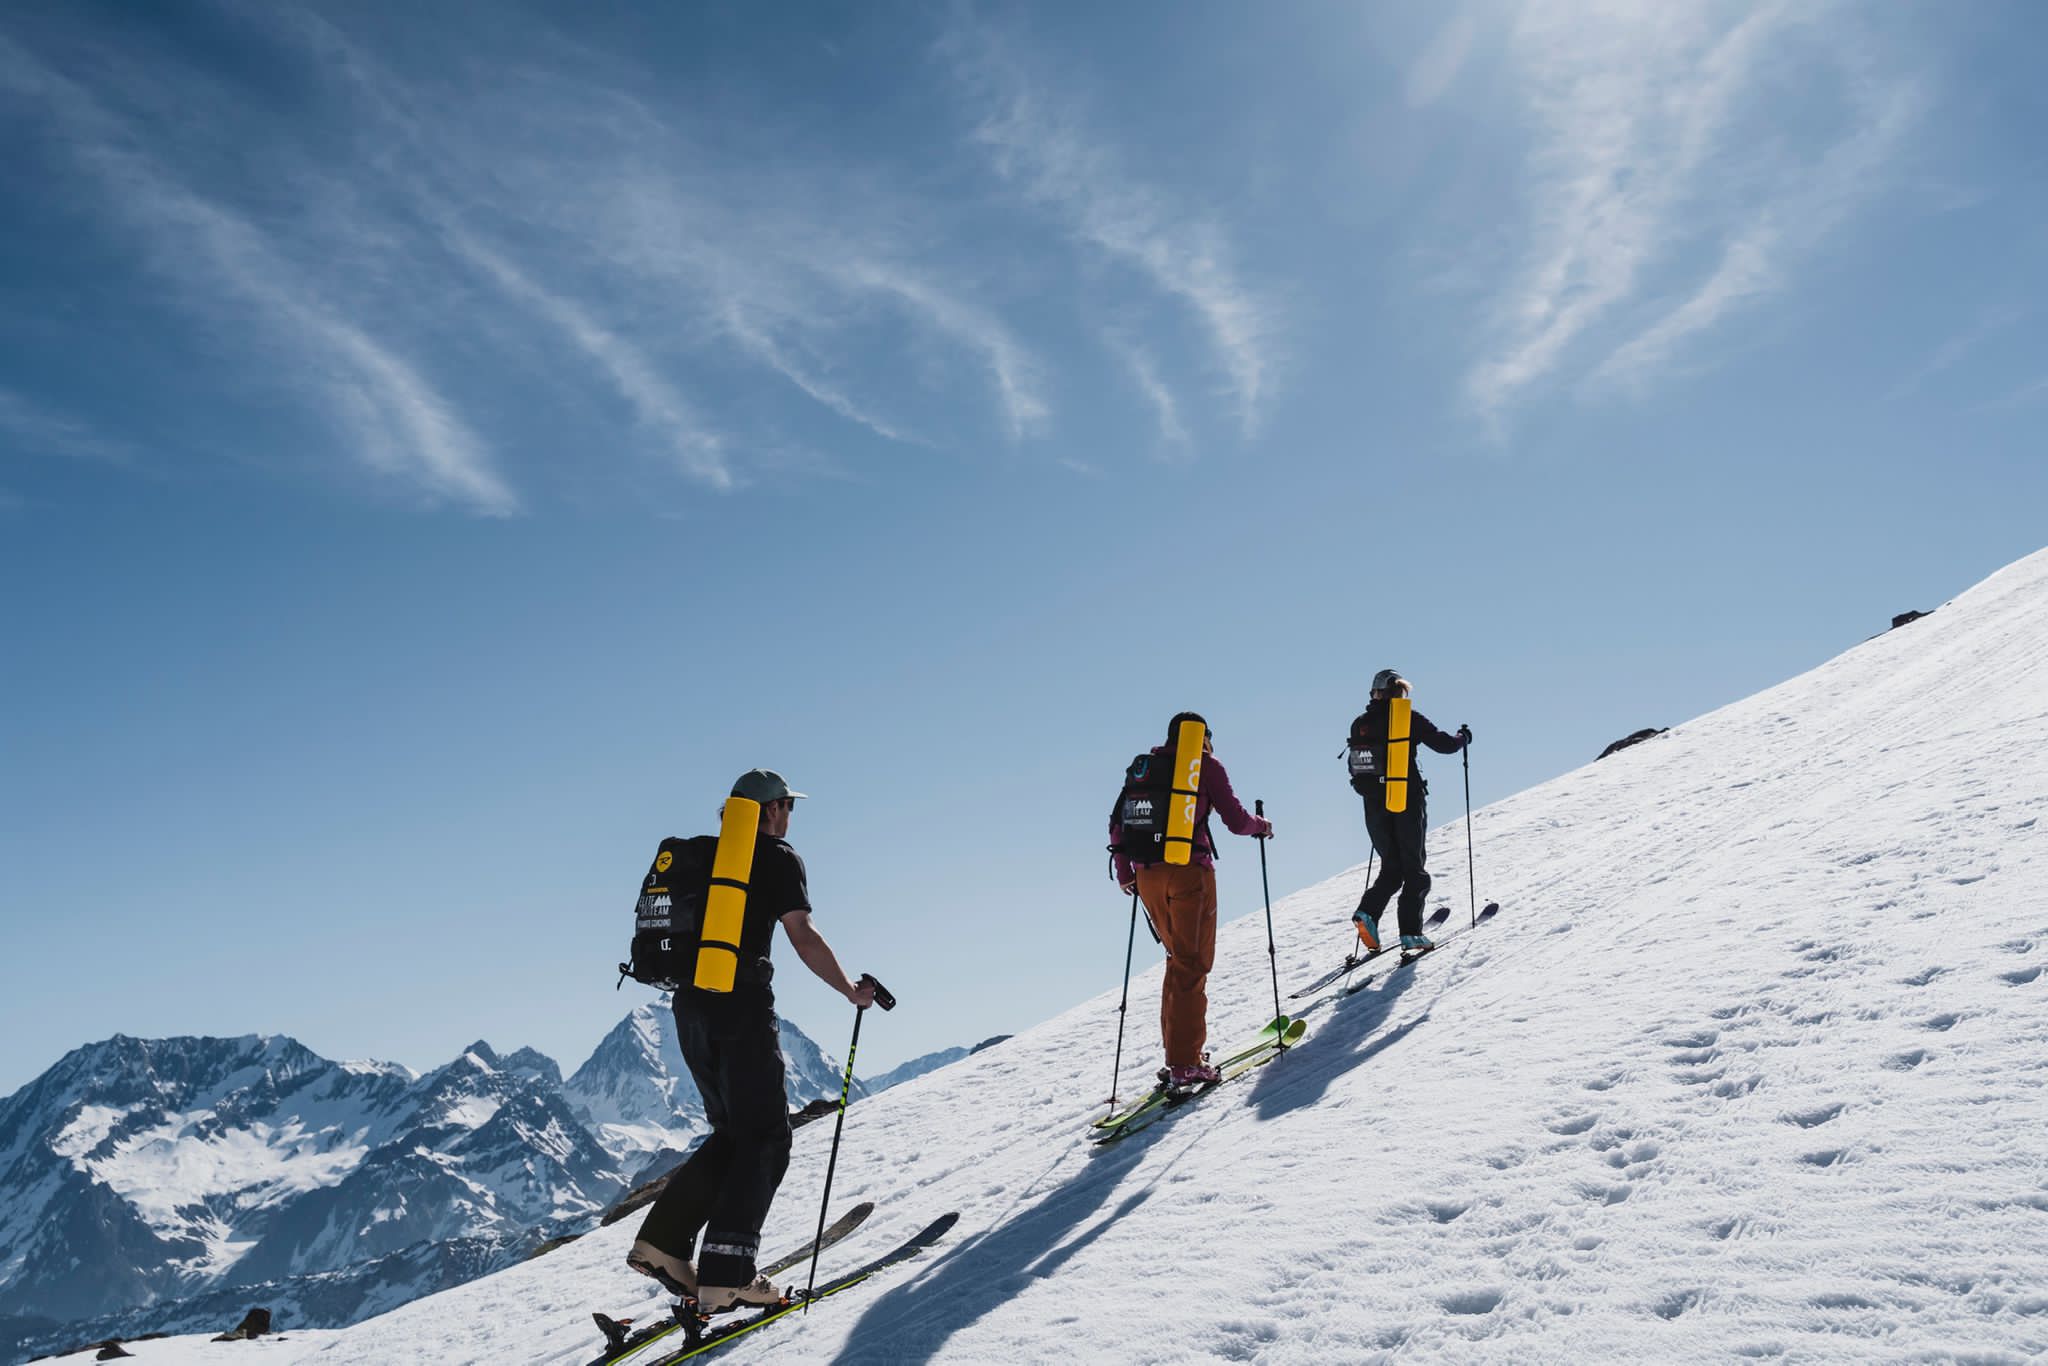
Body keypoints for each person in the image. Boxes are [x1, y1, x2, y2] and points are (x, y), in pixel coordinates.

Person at [626, 769, 876, 1312]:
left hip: (689, 1008)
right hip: (739, 1007)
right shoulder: (777, 857)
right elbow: (802, 935)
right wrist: (849, 990)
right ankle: (729, 1275)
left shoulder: (702, 855)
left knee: (733, 1134)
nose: (790, 817)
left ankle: (662, 1244)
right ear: (770, 810)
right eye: (788, 806)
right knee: (765, 1137)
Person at [1108, 713, 1272, 1089]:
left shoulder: (1143, 768)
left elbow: (1118, 822)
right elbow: (1236, 820)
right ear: (1202, 738)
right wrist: (1262, 826)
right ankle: (1185, 1062)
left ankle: (1179, 1054)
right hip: (1189, 873)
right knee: (1193, 963)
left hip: (1146, 875)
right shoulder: (1205, 765)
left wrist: (1124, 872)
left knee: (1176, 960)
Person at [1347, 670, 1470, 954]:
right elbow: (1445, 745)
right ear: (1399, 693)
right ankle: (1411, 933)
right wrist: (1463, 737)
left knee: (1392, 868)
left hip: (1373, 806)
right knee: (1414, 869)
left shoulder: (1360, 724)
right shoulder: (1407, 718)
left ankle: (1367, 913)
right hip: (1406, 799)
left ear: (1374, 693)